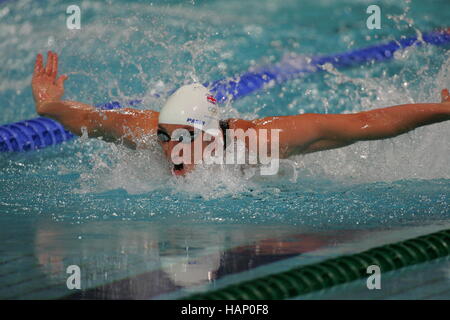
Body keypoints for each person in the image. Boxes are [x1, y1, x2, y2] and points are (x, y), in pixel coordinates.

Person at [32, 51, 450, 176]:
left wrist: (443, 110)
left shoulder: (254, 143)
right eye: (165, 137)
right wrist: (48, 105)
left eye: (182, 140)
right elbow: (86, 119)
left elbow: (362, 124)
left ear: (210, 136)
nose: (171, 151)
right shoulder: (145, 130)